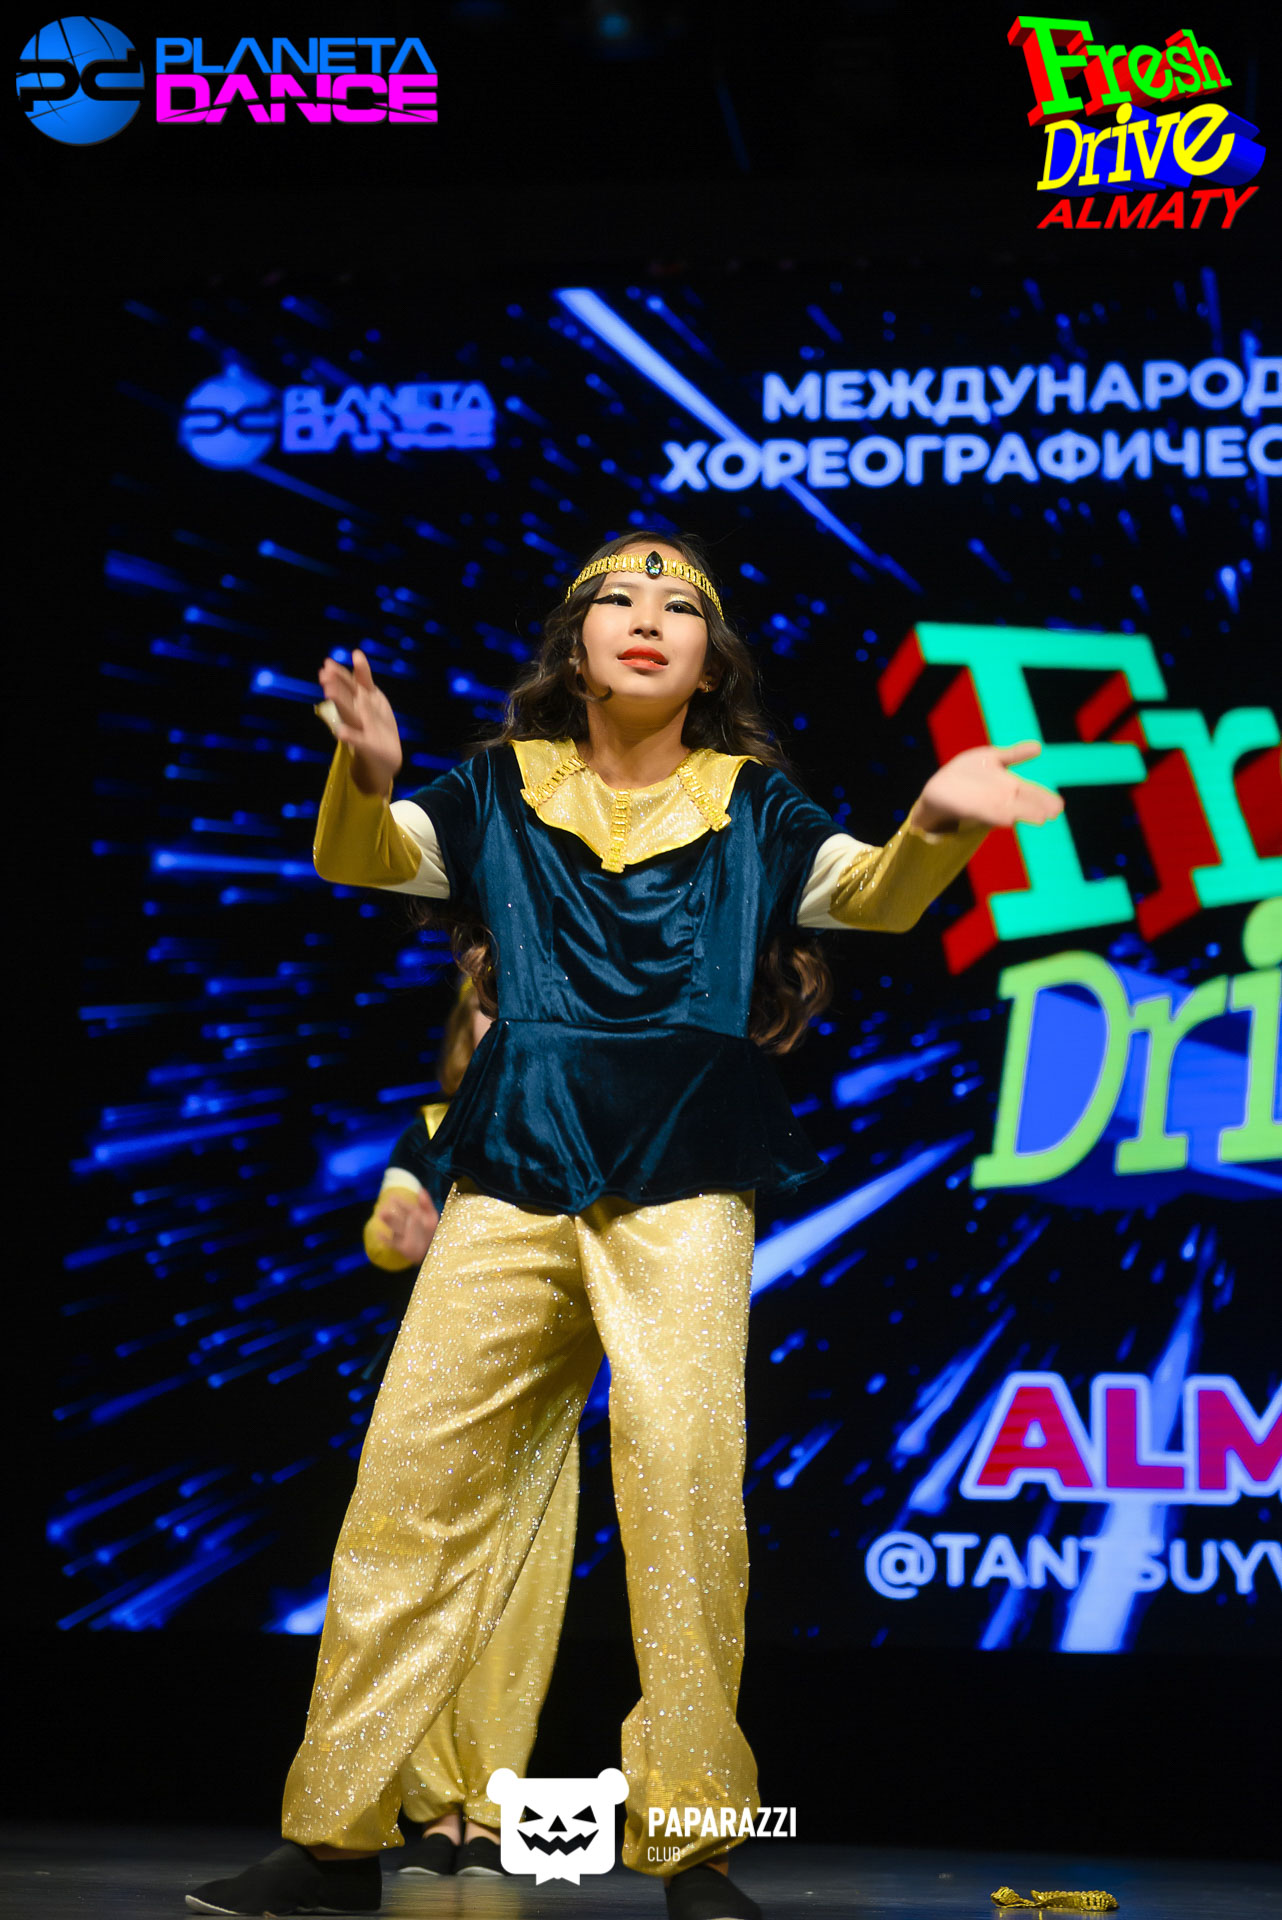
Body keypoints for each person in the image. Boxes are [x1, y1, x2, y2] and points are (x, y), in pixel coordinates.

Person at [186, 531, 1062, 1920]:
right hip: (513, 1162)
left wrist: (937, 822)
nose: (647, 616)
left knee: (683, 1493)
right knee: (410, 1488)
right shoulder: (496, 786)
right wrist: (363, 773)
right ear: (577, 646)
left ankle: (692, 1845)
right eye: (617, 599)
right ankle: (336, 1836)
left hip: (685, 1170)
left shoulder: (753, 805)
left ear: (709, 663)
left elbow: (876, 897)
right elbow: (365, 860)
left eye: (679, 606)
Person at [362, 979, 581, 1881]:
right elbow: (389, 1230)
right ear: (467, 1028)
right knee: (417, 1591)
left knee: (518, 1603)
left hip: (539, 1405)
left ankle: (492, 1811)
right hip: (436, 1396)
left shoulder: (581, 1129)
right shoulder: (432, 1129)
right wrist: (399, 1232)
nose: (507, 1020)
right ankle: (433, 1811)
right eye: (493, 1003)